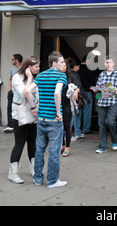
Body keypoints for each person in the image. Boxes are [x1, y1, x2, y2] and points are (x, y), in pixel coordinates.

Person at [26, 51, 68, 188]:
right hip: (54, 121)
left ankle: (37, 178)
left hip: (41, 119)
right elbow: (57, 92)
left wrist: (33, 107)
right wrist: (58, 112)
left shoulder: (41, 75)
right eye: (62, 62)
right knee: (54, 152)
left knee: (39, 150)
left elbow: (27, 91)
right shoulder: (61, 76)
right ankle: (52, 181)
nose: (64, 64)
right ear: (54, 63)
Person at [8, 56, 40, 184]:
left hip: (33, 113)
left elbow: (37, 94)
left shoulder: (36, 77)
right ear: (29, 67)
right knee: (19, 143)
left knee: (32, 142)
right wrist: (30, 79)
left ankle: (34, 170)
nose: (38, 69)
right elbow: (24, 93)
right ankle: (13, 172)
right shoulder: (17, 77)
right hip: (20, 114)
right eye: (36, 66)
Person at [95, 55, 117, 153]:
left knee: (110, 122)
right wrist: (97, 90)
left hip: (113, 101)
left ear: (114, 63)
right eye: (106, 62)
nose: (108, 64)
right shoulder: (102, 74)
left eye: (110, 62)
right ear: (104, 64)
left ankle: (114, 140)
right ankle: (102, 147)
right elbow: (98, 87)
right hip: (101, 102)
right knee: (101, 124)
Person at [61, 58, 80, 157]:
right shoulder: (57, 76)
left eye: (64, 65)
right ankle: (62, 145)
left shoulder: (71, 76)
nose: (63, 67)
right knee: (59, 126)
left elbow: (78, 86)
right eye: (61, 65)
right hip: (58, 104)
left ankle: (67, 146)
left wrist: (76, 92)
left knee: (67, 125)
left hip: (68, 104)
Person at [77, 54, 96, 136]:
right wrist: (95, 92)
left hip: (78, 93)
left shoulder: (77, 68)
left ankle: (77, 128)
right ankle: (86, 129)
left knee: (78, 111)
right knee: (87, 111)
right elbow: (92, 83)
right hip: (87, 93)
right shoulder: (89, 69)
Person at [5, 54, 23, 133]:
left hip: (20, 92)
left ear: (16, 60)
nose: (12, 61)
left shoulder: (23, 69)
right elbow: (10, 79)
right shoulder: (12, 69)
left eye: (13, 59)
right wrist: (10, 90)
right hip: (12, 91)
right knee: (9, 108)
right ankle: (10, 125)